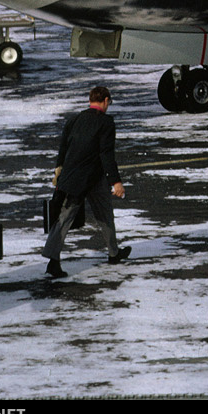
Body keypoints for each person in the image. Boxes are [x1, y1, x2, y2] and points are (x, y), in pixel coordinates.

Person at [43, 85, 130, 277]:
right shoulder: (106, 122)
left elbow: (63, 148)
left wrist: (59, 171)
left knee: (64, 219)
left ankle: (54, 260)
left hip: (74, 178)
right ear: (105, 100)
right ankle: (112, 253)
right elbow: (106, 154)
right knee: (104, 215)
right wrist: (116, 182)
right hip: (92, 178)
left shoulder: (74, 119)